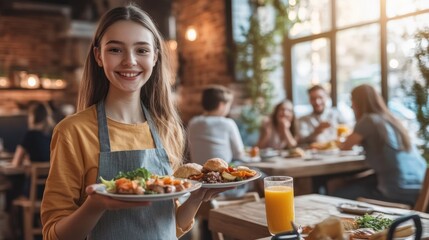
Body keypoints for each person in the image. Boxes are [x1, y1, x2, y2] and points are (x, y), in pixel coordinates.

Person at [41, 4, 230, 240]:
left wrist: (197, 197)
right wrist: (96, 205)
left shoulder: (167, 128)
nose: (129, 61)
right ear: (99, 56)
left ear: (155, 57)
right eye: (115, 50)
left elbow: (167, 227)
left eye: (141, 50)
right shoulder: (72, 132)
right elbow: (53, 233)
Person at [334, 84, 426, 205]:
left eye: (352, 101)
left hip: (397, 191)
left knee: (334, 197)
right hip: (419, 188)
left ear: (358, 102)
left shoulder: (367, 120)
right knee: (354, 182)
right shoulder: (390, 119)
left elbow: (345, 147)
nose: (351, 106)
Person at [187, 85, 246, 165]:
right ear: (221, 105)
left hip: (199, 172)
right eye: (228, 105)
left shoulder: (193, 122)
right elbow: (239, 154)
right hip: (222, 172)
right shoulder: (228, 123)